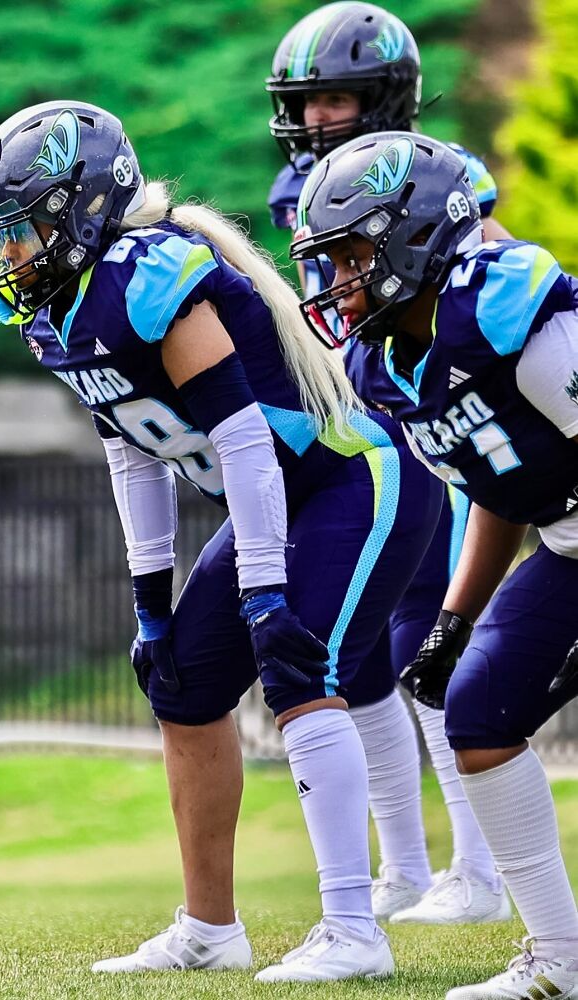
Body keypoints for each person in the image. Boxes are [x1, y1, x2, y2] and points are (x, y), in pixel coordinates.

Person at [0, 100, 443, 983]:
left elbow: (242, 440)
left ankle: (353, 927)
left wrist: (264, 592)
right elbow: (133, 451)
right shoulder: (61, 315)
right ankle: (210, 927)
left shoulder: (150, 276)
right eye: (2, 238)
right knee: (183, 683)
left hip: (351, 475)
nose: (11, 255)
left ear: (77, 214)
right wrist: (151, 607)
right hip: (283, 496)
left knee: (303, 669)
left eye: (26, 231)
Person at [291, 129, 578, 999]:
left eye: (350, 253)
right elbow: (499, 483)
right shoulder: (385, 365)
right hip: (567, 542)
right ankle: (561, 961)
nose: (335, 279)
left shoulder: (505, 304)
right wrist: (455, 620)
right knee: (478, 714)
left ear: (413, 234)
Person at [265, 0, 511, 924]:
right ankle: (407, 868)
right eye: (304, 100)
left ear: (384, 96)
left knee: (427, 643)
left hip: (429, 425)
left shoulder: (441, 183)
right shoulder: (303, 190)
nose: (314, 116)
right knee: (362, 652)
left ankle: (479, 874)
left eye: (333, 97)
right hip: (363, 435)